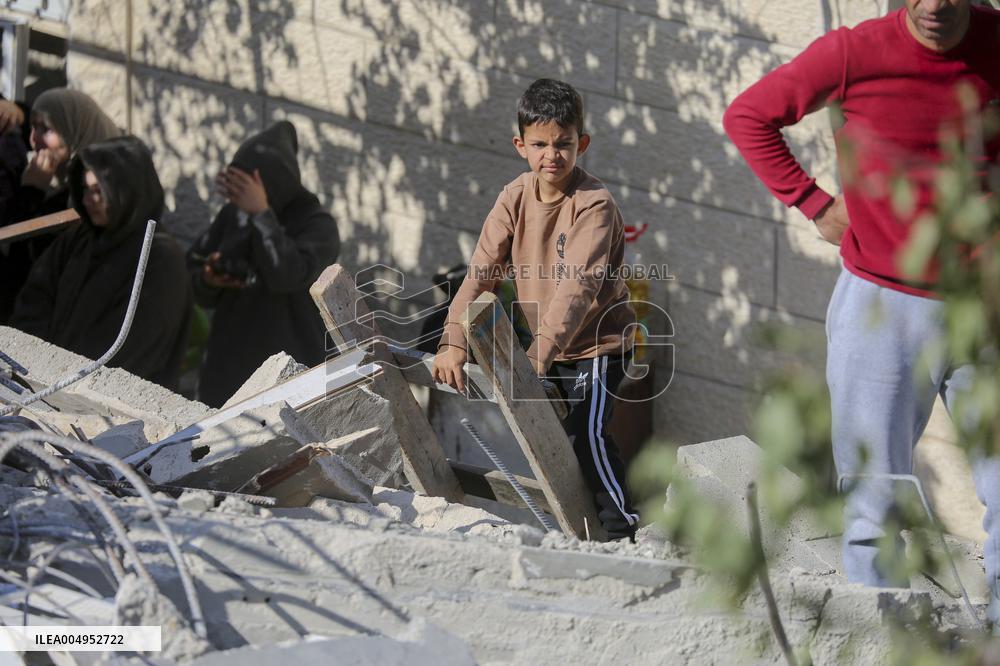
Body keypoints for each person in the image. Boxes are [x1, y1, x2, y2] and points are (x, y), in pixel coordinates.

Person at [724, 0, 1000, 617]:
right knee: (874, 499)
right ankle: (881, 641)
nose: (934, 6)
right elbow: (749, 115)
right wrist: (813, 203)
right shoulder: (854, 53)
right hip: (881, 307)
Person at [432, 78, 639, 540]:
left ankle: (622, 528)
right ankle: (577, 530)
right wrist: (452, 340)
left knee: (588, 432)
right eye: (540, 144)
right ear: (520, 145)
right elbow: (482, 273)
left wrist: (538, 357)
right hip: (546, 349)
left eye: (564, 144)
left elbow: (578, 288)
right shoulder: (514, 197)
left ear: (581, 144)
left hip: (598, 345)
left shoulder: (594, 205)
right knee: (551, 439)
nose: (553, 155)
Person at [9, 135, 192, 390]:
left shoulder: (160, 259)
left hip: (107, 406)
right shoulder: (80, 238)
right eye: (84, 190)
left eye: (98, 191)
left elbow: (131, 352)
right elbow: (35, 298)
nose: (86, 201)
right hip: (40, 387)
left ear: (126, 191)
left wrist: (64, 383)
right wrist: (32, 364)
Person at [187, 121, 340, 407]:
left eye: (249, 185)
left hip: (290, 375)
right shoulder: (235, 215)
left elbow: (287, 274)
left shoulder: (317, 225)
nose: (241, 196)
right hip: (228, 371)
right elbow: (194, 276)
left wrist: (262, 215)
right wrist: (210, 278)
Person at [1, 88, 121, 322]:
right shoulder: (50, 182)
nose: (33, 139)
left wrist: (31, 193)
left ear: (75, 128)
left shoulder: (94, 198)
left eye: (46, 129)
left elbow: (26, 265)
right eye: (33, 127)